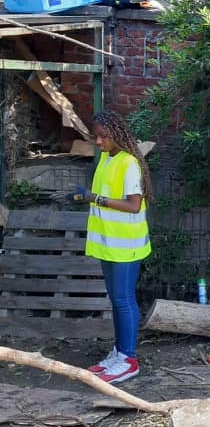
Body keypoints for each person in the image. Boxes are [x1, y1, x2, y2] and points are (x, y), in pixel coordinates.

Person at [63, 110, 153, 384]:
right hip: (110, 245)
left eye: (104, 136)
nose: (99, 142)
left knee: (124, 300)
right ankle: (119, 352)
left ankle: (129, 360)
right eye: (96, 136)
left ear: (118, 134)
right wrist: (84, 195)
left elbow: (133, 204)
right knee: (116, 300)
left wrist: (94, 197)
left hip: (127, 247)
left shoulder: (129, 164)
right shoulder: (106, 158)